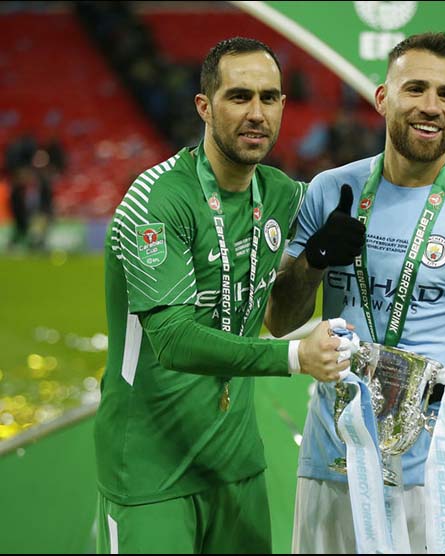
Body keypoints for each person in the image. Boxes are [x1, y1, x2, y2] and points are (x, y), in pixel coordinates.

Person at [94, 37, 359, 554]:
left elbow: (282, 317)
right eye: (239, 97)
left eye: (269, 97)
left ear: (284, 105)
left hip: (237, 463)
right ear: (204, 106)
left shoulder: (283, 194)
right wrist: (294, 357)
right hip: (151, 470)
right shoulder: (156, 202)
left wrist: (313, 262)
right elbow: (171, 339)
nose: (256, 113)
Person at [268, 32, 445, 553]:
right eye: (416, 89)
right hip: (332, 461)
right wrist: (315, 258)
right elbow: (279, 319)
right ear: (383, 98)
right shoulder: (331, 191)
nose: (431, 107)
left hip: (437, 475)